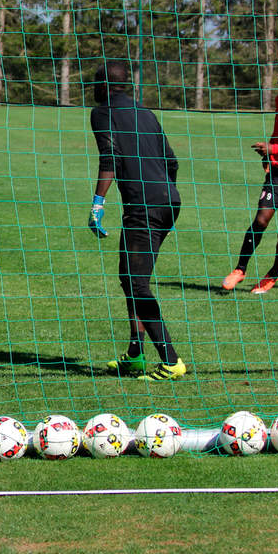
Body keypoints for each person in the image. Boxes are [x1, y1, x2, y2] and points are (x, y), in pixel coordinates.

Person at [87, 61, 185, 381]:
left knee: (136, 283)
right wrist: (164, 195)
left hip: (144, 208)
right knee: (132, 279)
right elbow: (172, 160)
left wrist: (98, 204)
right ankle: (135, 354)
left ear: (102, 85)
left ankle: (170, 361)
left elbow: (109, 158)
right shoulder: (146, 112)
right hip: (168, 202)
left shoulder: (102, 112)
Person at [222, 58, 278, 294]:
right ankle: (240, 269)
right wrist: (268, 156)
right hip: (277, 174)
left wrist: (273, 149)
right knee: (260, 220)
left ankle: (274, 272)